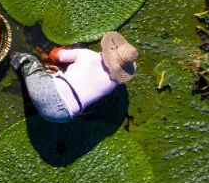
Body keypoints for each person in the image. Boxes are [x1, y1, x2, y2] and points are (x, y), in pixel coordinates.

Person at [10, 31, 138, 123]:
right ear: (123, 70)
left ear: (109, 49)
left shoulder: (88, 55)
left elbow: (57, 55)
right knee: (57, 77)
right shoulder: (113, 84)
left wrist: (56, 55)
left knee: (29, 61)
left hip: (47, 93)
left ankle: (8, 58)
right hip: (61, 117)